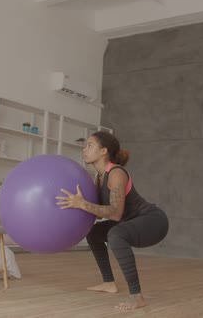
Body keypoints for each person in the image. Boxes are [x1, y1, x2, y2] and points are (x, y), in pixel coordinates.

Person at [56, 131, 169, 310]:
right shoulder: (98, 178)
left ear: (104, 151)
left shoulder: (116, 173)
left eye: (90, 145)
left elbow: (115, 213)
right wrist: (75, 206)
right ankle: (109, 283)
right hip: (128, 221)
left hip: (153, 221)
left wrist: (83, 204)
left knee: (115, 234)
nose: (84, 150)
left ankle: (136, 296)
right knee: (94, 234)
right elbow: (100, 213)